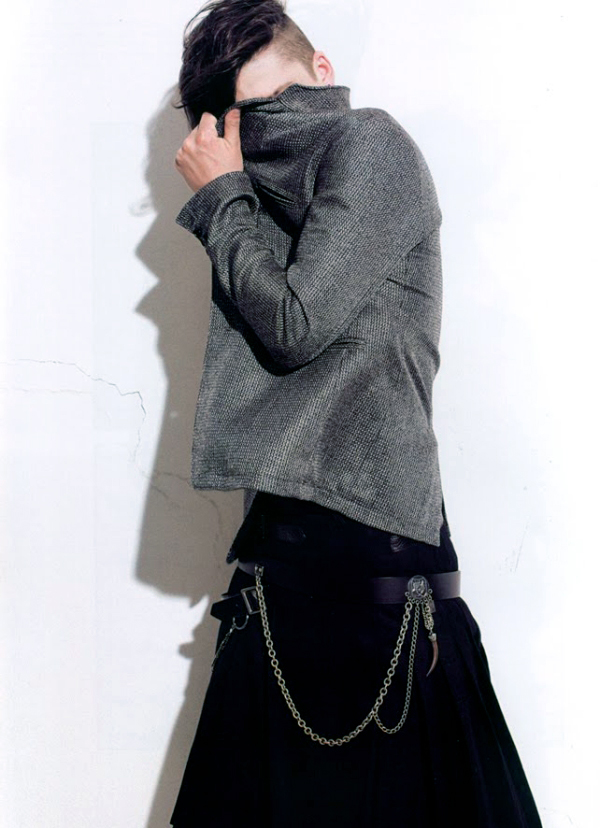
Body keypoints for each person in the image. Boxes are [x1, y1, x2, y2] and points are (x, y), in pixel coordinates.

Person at [170, 1, 545, 826]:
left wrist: (224, 197)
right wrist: (237, 197)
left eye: (281, 103)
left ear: (324, 72)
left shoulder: (370, 145)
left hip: (380, 561)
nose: (273, 134)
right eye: (248, 122)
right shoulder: (254, 198)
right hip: (276, 566)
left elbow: (295, 324)